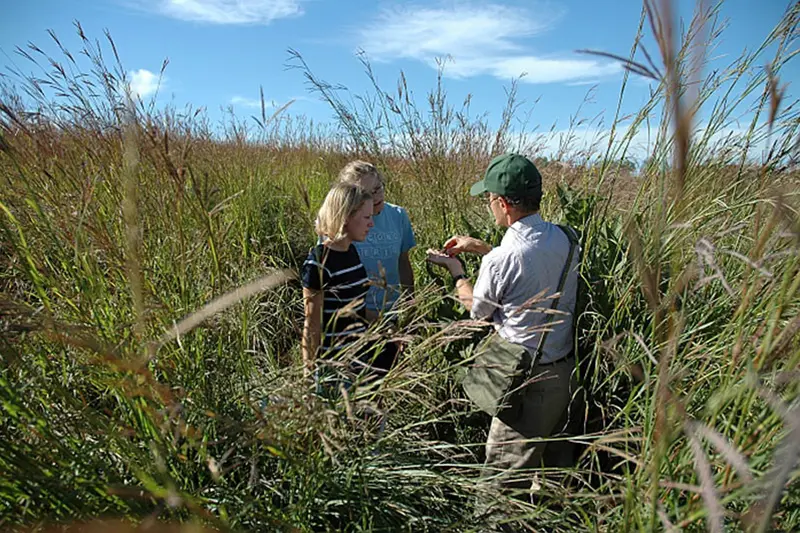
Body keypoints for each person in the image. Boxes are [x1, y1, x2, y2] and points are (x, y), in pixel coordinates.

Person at [426, 153, 580, 497]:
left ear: (503, 204)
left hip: (526, 381)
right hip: (564, 373)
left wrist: (457, 272)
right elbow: (531, 261)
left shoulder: (500, 260)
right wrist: (483, 249)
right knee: (552, 473)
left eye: (489, 200)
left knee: (500, 487)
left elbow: (477, 312)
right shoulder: (568, 239)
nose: (489, 207)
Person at [336, 161, 416, 372]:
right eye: (367, 193)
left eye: (378, 188)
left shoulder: (398, 216)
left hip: (391, 316)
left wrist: (410, 307)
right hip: (353, 319)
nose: (376, 197)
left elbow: (403, 263)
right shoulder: (342, 222)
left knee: (387, 379)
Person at [301, 183, 375, 389]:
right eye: (366, 217)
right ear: (345, 217)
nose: (372, 224)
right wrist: (309, 375)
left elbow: (358, 307)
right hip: (334, 366)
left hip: (360, 357)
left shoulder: (351, 252)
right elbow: (312, 324)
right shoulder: (318, 262)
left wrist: (389, 328)